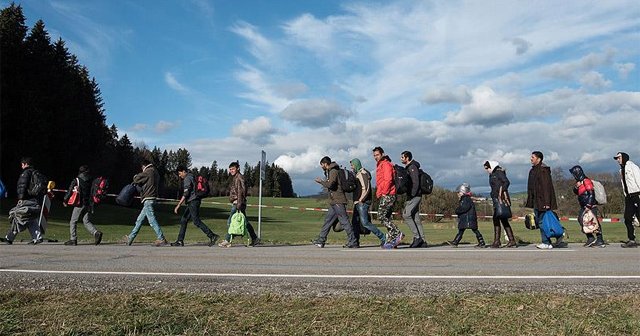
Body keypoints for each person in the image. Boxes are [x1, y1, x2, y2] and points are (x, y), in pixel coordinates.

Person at [310, 157, 358, 248]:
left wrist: (321, 182)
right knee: (328, 221)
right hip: (334, 201)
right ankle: (321, 240)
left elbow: (331, 185)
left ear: (325, 163)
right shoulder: (330, 171)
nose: (321, 167)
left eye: (321, 165)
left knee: (344, 221)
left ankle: (353, 241)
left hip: (338, 201)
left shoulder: (333, 171)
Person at [123, 158, 168, 246]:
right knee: (139, 220)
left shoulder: (148, 171)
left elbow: (136, 179)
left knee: (151, 219)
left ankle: (161, 238)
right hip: (152, 197)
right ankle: (130, 238)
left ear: (144, 166)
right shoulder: (155, 172)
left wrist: (135, 176)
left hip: (148, 198)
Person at [170, 166, 219, 247]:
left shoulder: (187, 178)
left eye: (179, 173)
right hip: (194, 201)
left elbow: (186, 193)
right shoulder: (192, 176)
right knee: (184, 220)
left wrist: (178, 205)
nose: (179, 175)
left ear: (184, 171)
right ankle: (180, 240)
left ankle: (212, 235)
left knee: (196, 221)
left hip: (193, 202)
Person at [525, 151, 562, 249]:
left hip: (543, 201)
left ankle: (546, 242)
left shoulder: (543, 170)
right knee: (540, 221)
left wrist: (546, 203)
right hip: (537, 201)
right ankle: (554, 237)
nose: (531, 159)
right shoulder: (533, 170)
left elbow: (546, 188)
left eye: (533, 157)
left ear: (539, 159)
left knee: (542, 222)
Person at [218, 161, 259, 247]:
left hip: (238, 203)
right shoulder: (237, 177)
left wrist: (238, 204)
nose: (231, 171)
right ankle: (254, 238)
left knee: (230, 221)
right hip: (238, 202)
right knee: (245, 222)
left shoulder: (239, 178)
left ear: (238, 168)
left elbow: (241, 192)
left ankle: (228, 240)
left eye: (233, 169)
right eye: (230, 169)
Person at [5, 157, 44, 245]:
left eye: (22, 164)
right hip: (35, 199)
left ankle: (9, 238)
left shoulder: (26, 173)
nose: (21, 166)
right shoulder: (36, 172)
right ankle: (37, 237)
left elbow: (22, 186)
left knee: (17, 217)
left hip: (26, 199)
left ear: (25, 164)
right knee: (30, 218)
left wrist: (20, 198)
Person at [62, 165, 103, 246]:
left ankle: (73, 239)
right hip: (89, 203)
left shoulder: (77, 180)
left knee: (73, 221)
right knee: (86, 221)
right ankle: (96, 232)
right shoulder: (92, 180)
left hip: (79, 203)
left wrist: (65, 200)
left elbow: (70, 190)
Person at [350, 158, 386, 246]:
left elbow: (366, 188)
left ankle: (383, 237)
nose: (351, 167)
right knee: (355, 223)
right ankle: (355, 242)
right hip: (358, 203)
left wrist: (361, 199)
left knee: (365, 223)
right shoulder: (358, 174)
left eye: (352, 165)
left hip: (362, 202)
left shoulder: (362, 174)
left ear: (356, 164)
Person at [373, 147, 403, 249]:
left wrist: (384, 193)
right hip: (386, 194)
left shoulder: (385, 164)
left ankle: (397, 232)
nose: (375, 157)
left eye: (377, 155)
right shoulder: (381, 165)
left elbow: (388, 180)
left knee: (381, 216)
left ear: (382, 154)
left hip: (388, 194)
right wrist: (378, 193)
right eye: (374, 155)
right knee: (387, 217)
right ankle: (392, 240)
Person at [569, 165, 605, 248]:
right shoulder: (579, 182)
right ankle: (590, 238)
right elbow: (576, 192)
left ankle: (600, 240)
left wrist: (588, 205)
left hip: (590, 206)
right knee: (581, 220)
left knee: (594, 222)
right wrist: (576, 187)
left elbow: (591, 193)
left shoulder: (586, 181)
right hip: (584, 206)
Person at [484, 160, 516, 248]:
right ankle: (509, 240)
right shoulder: (492, 174)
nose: (487, 170)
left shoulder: (499, 172)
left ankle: (498, 241)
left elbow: (506, 182)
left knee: (498, 218)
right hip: (496, 199)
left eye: (488, 168)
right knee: (501, 219)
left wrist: (500, 191)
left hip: (500, 199)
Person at [400, 151, 427, 248]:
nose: (401, 159)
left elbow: (415, 182)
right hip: (416, 195)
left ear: (407, 158)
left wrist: (412, 194)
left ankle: (417, 237)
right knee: (416, 219)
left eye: (402, 157)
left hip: (414, 196)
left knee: (406, 215)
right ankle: (423, 241)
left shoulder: (412, 167)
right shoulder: (411, 167)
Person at [614, 152, 640, 248]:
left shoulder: (633, 167)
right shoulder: (621, 170)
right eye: (616, 158)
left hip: (637, 194)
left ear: (624, 157)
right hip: (628, 196)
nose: (617, 160)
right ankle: (631, 240)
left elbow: (639, 179)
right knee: (627, 218)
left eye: (619, 158)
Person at [447, 183, 485, 247]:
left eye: (458, 192)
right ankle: (455, 241)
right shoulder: (466, 198)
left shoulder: (465, 199)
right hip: (467, 218)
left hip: (468, 218)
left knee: (474, 230)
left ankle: (481, 242)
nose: (458, 194)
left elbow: (465, 208)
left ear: (462, 192)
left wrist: (457, 211)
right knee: (462, 230)